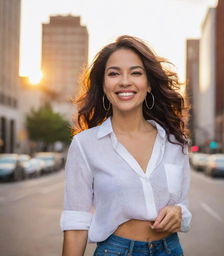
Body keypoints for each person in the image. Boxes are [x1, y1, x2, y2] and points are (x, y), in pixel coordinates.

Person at [60, 35, 192, 256]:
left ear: (149, 84)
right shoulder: (86, 144)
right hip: (116, 251)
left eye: (136, 72)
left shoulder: (174, 142)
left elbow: (182, 204)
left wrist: (179, 212)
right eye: (114, 73)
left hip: (170, 249)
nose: (124, 81)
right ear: (103, 85)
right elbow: (76, 221)